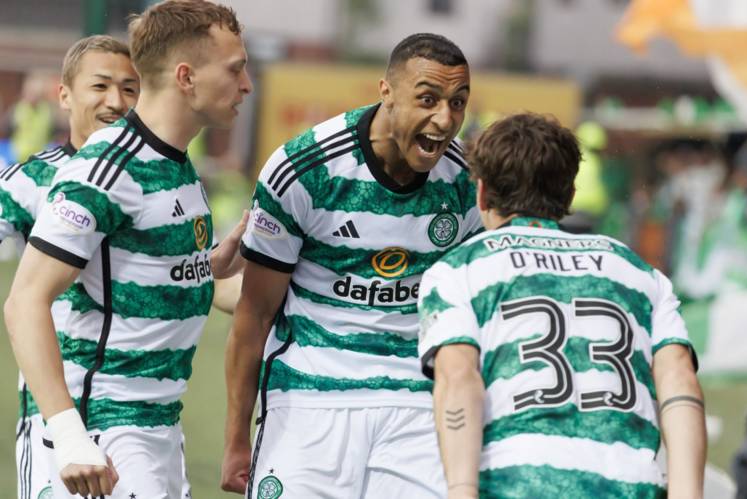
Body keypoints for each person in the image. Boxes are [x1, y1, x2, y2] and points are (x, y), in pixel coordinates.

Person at [3, 1, 252, 497]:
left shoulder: (176, 166)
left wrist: (205, 269)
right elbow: (24, 301)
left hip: (157, 427)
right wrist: (69, 436)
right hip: (101, 430)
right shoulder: (105, 171)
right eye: (235, 69)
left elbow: (140, 278)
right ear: (186, 77)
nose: (246, 85)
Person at [222, 33, 481, 498]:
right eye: (428, 99)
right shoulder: (305, 169)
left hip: (416, 404)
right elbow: (255, 313)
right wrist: (237, 438)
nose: (445, 119)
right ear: (386, 91)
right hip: (308, 395)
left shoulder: (467, 181)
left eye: (457, 103)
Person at [417, 112, 706, 499]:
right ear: (569, 193)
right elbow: (679, 378)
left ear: (482, 192)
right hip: (628, 486)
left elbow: (458, 380)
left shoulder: (459, 269)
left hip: (518, 485)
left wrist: (461, 490)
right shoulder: (638, 271)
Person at [0, 35, 139, 499]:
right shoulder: (32, 178)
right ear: (64, 95)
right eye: (100, 86)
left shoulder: (159, 178)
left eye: (129, 88)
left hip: (143, 416)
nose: (116, 101)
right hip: (58, 413)